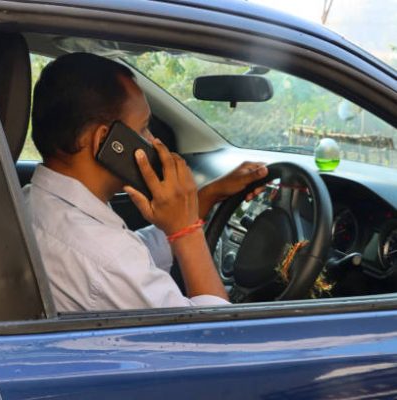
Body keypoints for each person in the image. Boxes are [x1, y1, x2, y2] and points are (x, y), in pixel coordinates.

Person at [24, 52, 268, 311]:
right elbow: (216, 338)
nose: (152, 141)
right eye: (143, 129)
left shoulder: (35, 200)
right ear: (107, 142)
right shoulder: (107, 261)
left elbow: (135, 254)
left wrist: (206, 197)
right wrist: (188, 232)